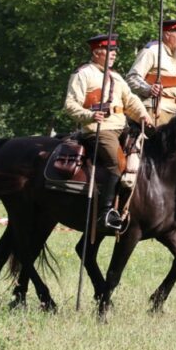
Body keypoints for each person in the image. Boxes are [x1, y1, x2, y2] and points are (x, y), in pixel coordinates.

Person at [64, 33, 153, 231]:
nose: (113, 54)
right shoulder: (83, 73)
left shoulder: (116, 76)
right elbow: (70, 104)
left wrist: (143, 115)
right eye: (109, 50)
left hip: (122, 126)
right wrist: (89, 116)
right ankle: (106, 213)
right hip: (99, 129)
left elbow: (130, 101)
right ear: (97, 53)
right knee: (116, 163)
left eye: (114, 50)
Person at [126, 18, 176, 126]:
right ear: (167, 35)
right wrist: (148, 89)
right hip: (154, 110)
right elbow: (132, 77)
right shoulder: (152, 51)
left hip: (175, 114)